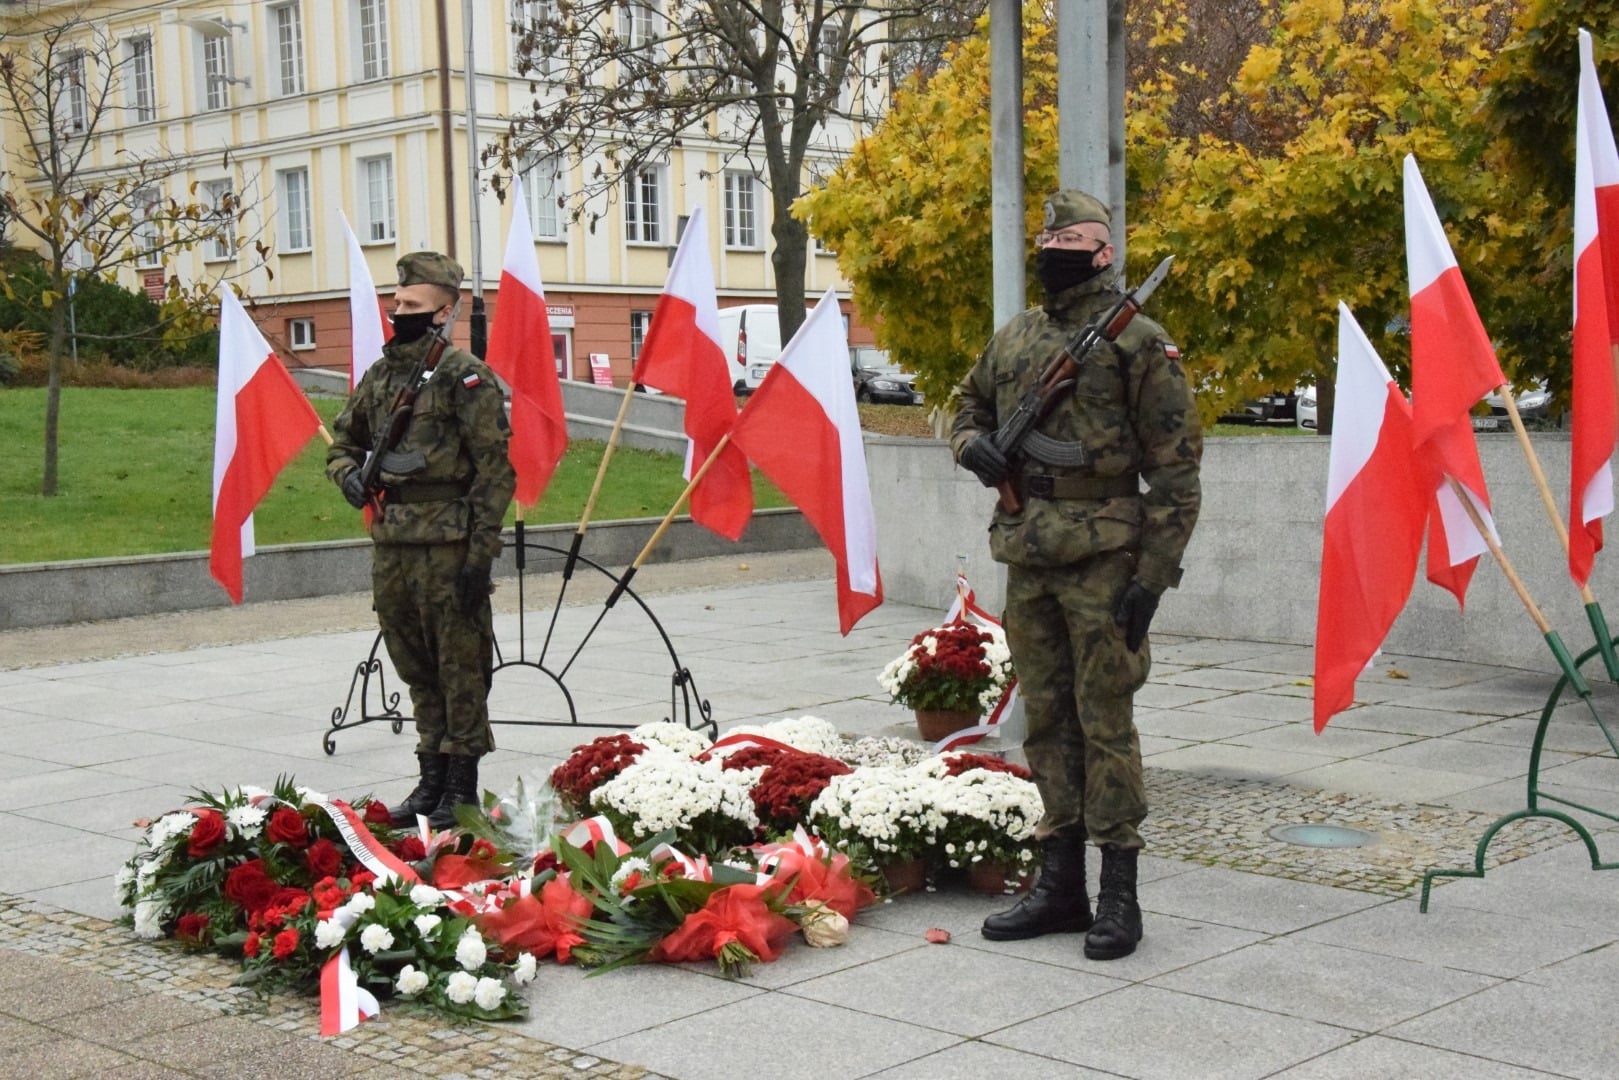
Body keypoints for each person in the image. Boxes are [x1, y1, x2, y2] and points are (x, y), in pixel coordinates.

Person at [950, 190, 1202, 960]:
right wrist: (975, 448)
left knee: (1105, 722)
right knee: (1048, 723)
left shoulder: (1139, 343)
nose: (1054, 248)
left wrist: (1151, 578)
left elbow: (1176, 470)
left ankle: (1117, 894)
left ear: (1103, 253)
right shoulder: (1017, 335)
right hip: (1028, 552)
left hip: (1104, 558)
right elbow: (964, 406)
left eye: (1073, 238)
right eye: (1048, 236)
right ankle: (1059, 885)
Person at [327, 252, 517, 831]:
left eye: (411, 305)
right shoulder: (382, 377)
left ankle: (460, 786)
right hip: (395, 544)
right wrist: (350, 477)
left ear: (442, 312)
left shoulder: (466, 377)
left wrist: (479, 554)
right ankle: (429, 779)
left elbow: (496, 471)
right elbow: (342, 443)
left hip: (451, 544)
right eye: (396, 302)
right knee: (413, 664)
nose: (398, 311)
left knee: (460, 667)